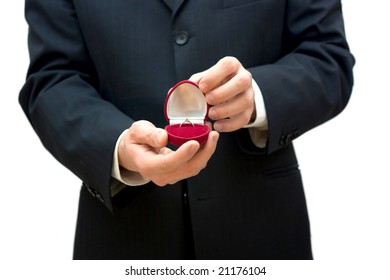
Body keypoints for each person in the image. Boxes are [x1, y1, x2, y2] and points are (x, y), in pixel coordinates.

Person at [19, 0, 354, 260]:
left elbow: (328, 59)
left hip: (262, 231)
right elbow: (53, 79)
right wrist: (117, 146)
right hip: (122, 239)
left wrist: (257, 97)